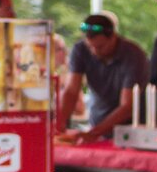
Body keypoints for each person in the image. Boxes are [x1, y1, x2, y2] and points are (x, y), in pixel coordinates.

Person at [55, 12, 149, 143]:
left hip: (131, 131)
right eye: (90, 46)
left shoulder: (133, 55)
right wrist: (60, 123)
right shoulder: (80, 49)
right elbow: (71, 91)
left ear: (113, 37)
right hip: (97, 124)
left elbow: (127, 106)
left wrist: (93, 133)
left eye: (100, 47)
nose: (94, 51)